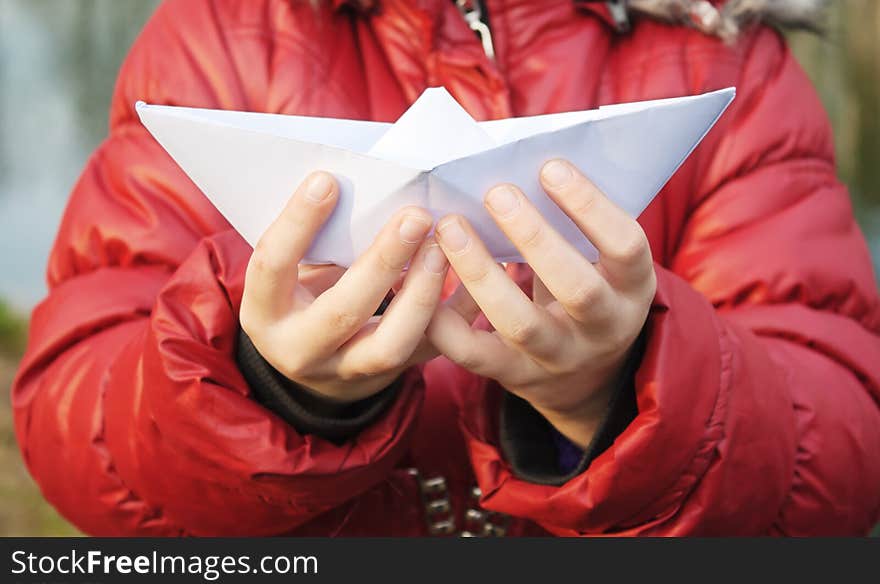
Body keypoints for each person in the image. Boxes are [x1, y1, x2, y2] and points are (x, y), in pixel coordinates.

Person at [13, 0, 880, 536]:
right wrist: (267, 385)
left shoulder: (726, 58)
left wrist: (626, 389)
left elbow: (842, 448)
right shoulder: (216, 37)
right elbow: (75, 417)